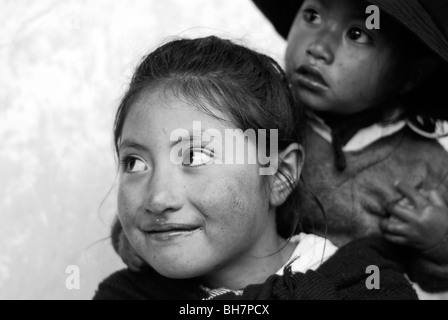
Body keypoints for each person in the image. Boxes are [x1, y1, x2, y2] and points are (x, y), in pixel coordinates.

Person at [93, 36, 417, 300]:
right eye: (134, 163)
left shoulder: (366, 288)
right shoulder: (124, 295)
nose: (158, 198)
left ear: (279, 175)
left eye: (195, 157)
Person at [252, 0, 448, 292]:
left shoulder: (427, 165)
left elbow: (433, 281)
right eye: (312, 15)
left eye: (357, 34)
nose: (318, 47)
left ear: (410, 75)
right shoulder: (265, 120)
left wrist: (438, 242)